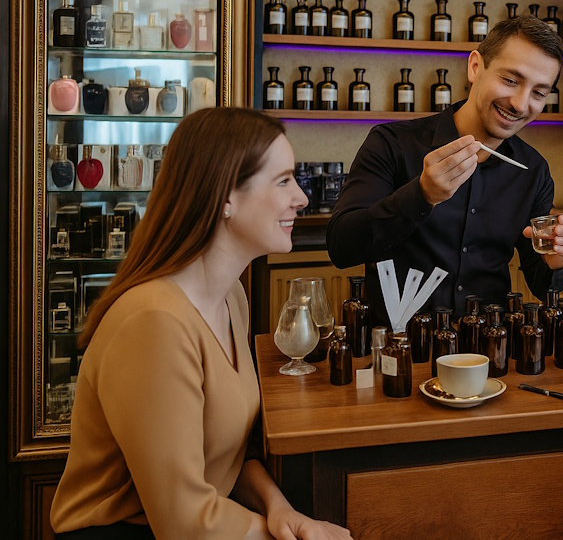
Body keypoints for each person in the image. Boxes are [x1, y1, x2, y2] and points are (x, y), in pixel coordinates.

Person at [50, 108, 352, 540]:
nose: (302, 197)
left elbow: (229, 455)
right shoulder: (154, 323)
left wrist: (282, 510)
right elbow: (184, 522)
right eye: (284, 180)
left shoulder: (233, 297)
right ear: (225, 196)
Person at [326, 15, 563, 325]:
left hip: (488, 346)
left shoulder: (533, 170)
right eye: (511, 80)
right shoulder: (392, 143)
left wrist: (557, 262)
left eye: (539, 93)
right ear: (475, 67)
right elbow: (342, 247)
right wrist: (421, 195)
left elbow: (542, 284)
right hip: (401, 346)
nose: (519, 103)